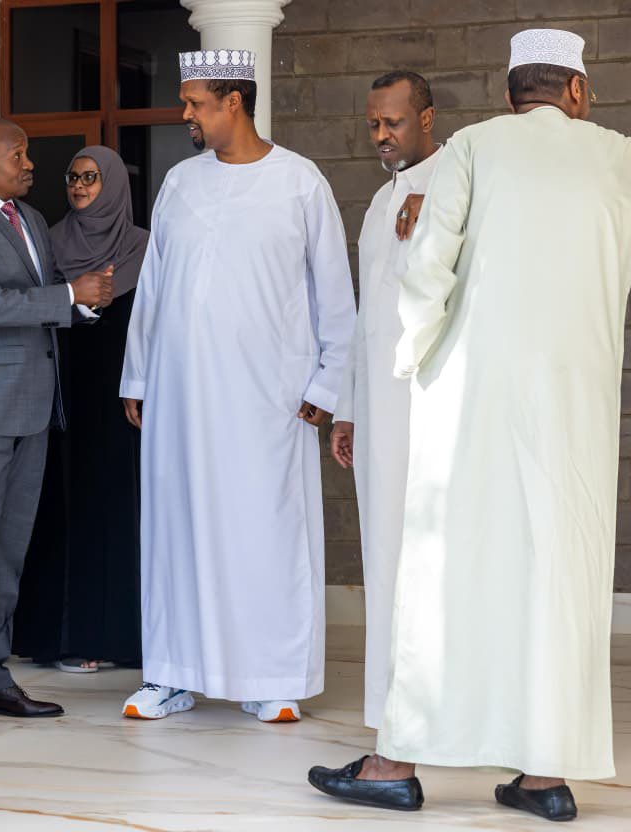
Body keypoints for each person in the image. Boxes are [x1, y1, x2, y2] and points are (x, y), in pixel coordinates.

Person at [309, 29, 631, 822]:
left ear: (511, 90)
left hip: (475, 405)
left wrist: (418, 366)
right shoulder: (619, 156)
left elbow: (426, 275)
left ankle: (393, 763)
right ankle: (546, 775)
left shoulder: (475, 148)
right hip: (580, 409)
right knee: (557, 578)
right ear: (579, 92)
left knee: (443, 572)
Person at [120, 50, 355, 723]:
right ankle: (171, 673)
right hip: (182, 396)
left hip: (267, 397)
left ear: (233, 101)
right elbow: (155, 289)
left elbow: (334, 293)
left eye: (195, 102)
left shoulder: (299, 182)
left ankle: (268, 675)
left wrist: (329, 380)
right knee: (177, 530)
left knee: (265, 531)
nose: (185, 113)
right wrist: (137, 374)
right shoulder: (180, 185)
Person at [0, 118, 114, 737]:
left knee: (8, 553)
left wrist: (83, 303)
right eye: (18, 154)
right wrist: (66, 296)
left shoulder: (29, 220)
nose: (30, 163)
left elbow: (39, 302)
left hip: (32, 407)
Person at [330, 71, 440, 730]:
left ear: (426, 118)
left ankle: (428, 713)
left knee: (425, 562)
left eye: (392, 123)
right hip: (376, 413)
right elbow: (364, 314)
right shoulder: (378, 203)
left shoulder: (460, 186)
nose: (380, 136)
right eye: (372, 124)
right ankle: (390, 715)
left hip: (427, 412)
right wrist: (347, 407)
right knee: (385, 558)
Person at [50, 147, 149, 673]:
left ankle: (131, 637)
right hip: (67, 395)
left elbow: (160, 322)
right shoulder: (51, 242)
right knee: (74, 508)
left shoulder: (145, 248)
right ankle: (78, 635)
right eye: (73, 176)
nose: (81, 185)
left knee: (128, 509)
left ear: (112, 183)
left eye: (91, 177)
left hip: (128, 401)